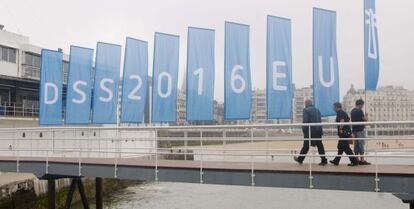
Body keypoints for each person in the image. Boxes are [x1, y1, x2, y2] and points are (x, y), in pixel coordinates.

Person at [294, 99, 327, 166]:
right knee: (320, 146)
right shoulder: (317, 110)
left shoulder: (306, 110)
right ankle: (324, 160)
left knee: (306, 145)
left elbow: (305, 121)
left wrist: (304, 130)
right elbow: (319, 121)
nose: (304, 105)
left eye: (305, 103)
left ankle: (300, 159)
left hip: (310, 131)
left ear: (306, 104)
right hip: (318, 131)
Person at [329, 102, 359, 166]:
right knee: (340, 147)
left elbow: (342, 121)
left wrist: (340, 129)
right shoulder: (343, 112)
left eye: (333, 107)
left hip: (344, 133)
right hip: (346, 132)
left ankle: (354, 161)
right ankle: (336, 161)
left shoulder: (340, 112)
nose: (333, 108)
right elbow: (347, 119)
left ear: (336, 107)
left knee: (346, 148)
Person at [351, 99, 371, 165]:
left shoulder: (352, 111)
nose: (362, 106)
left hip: (354, 130)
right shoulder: (360, 111)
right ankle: (362, 160)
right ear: (360, 104)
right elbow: (365, 120)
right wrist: (366, 115)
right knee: (361, 144)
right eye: (362, 105)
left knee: (356, 145)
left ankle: (356, 159)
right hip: (360, 130)